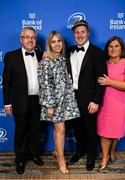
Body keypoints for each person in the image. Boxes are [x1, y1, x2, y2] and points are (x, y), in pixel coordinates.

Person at [66, 20, 107, 171]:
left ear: (88, 33)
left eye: (83, 32)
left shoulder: (97, 52)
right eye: (77, 32)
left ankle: (91, 156)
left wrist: (96, 101)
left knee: (90, 129)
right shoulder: (69, 50)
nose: (80, 35)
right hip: (72, 97)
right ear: (74, 35)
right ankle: (80, 150)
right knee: (77, 128)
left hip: (89, 98)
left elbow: (101, 80)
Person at [3, 27, 44, 175]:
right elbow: (6, 82)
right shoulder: (11, 56)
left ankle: (33, 154)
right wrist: (7, 102)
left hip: (38, 100)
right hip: (20, 100)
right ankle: (20, 158)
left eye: (33, 37)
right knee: (21, 131)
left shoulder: (41, 55)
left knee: (36, 130)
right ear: (21, 39)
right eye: (27, 37)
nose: (30, 40)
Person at [38, 31, 80, 174]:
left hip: (66, 101)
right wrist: (49, 104)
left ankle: (57, 151)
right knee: (60, 129)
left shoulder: (62, 59)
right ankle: (61, 160)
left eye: (59, 41)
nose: (57, 44)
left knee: (59, 129)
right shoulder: (46, 61)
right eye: (54, 42)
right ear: (49, 44)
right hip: (53, 102)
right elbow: (45, 84)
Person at [97, 36, 125, 170]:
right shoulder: (103, 63)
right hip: (103, 103)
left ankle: (112, 151)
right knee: (104, 132)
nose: (113, 49)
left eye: (116, 46)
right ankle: (104, 157)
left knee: (115, 132)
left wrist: (110, 82)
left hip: (119, 104)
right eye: (110, 46)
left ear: (121, 49)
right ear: (107, 49)